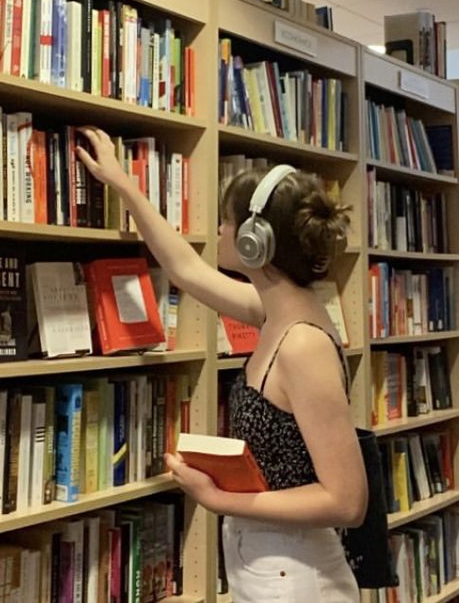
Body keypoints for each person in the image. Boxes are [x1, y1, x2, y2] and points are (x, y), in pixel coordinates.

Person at [76, 126, 368, 602]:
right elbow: (186, 270)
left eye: (226, 223)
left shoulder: (301, 344)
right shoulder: (275, 309)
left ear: (255, 240)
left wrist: (215, 497)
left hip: (296, 576)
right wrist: (124, 184)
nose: (218, 232)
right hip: (268, 564)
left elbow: (347, 500)